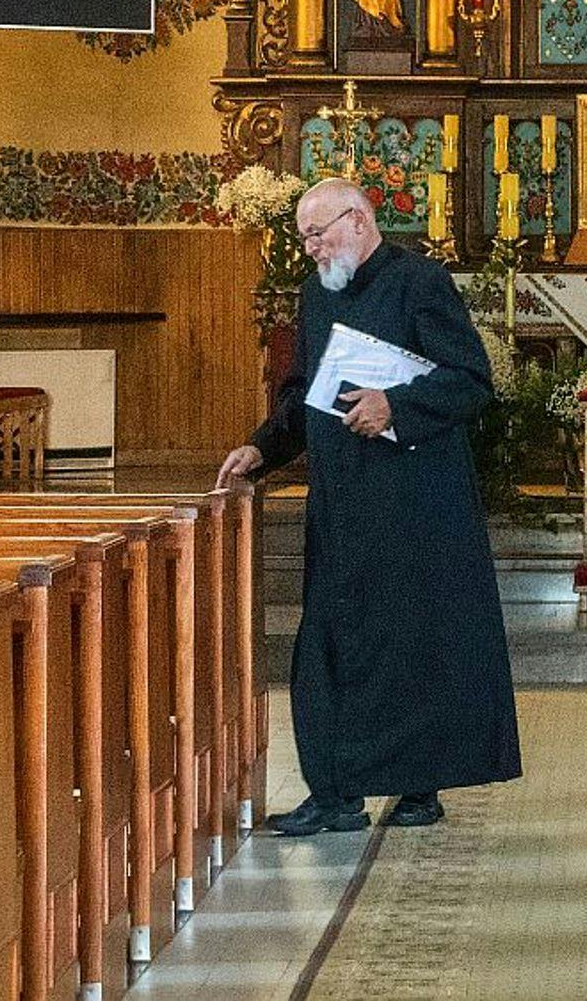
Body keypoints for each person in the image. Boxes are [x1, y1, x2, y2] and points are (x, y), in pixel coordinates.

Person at [217, 178, 520, 834]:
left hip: (415, 504)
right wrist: (261, 447)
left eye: (318, 233)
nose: (311, 248)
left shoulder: (420, 283)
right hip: (341, 505)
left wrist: (395, 407)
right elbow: (302, 393)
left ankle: (418, 786)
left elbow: (471, 381)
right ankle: (334, 793)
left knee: (411, 643)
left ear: (358, 220)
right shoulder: (315, 294)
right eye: (304, 237)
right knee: (329, 646)